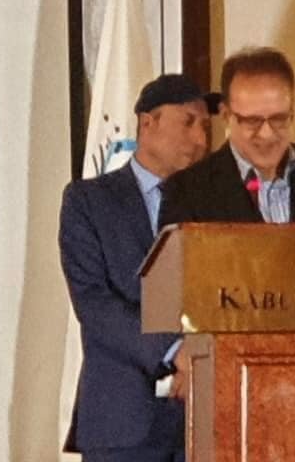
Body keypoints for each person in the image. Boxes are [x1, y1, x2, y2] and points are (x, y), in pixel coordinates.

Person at [59, 73, 219, 462]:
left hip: (207, 413)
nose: (200, 139)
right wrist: (175, 350)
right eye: (188, 122)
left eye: (205, 126)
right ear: (148, 123)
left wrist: (203, 359)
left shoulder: (214, 203)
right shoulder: (88, 201)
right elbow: (94, 304)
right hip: (120, 417)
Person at [159, 46, 295, 227]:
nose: (267, 134)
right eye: (252, 121)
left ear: (292, 112)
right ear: (226, 115)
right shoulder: (187, 191)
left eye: (278, 119)